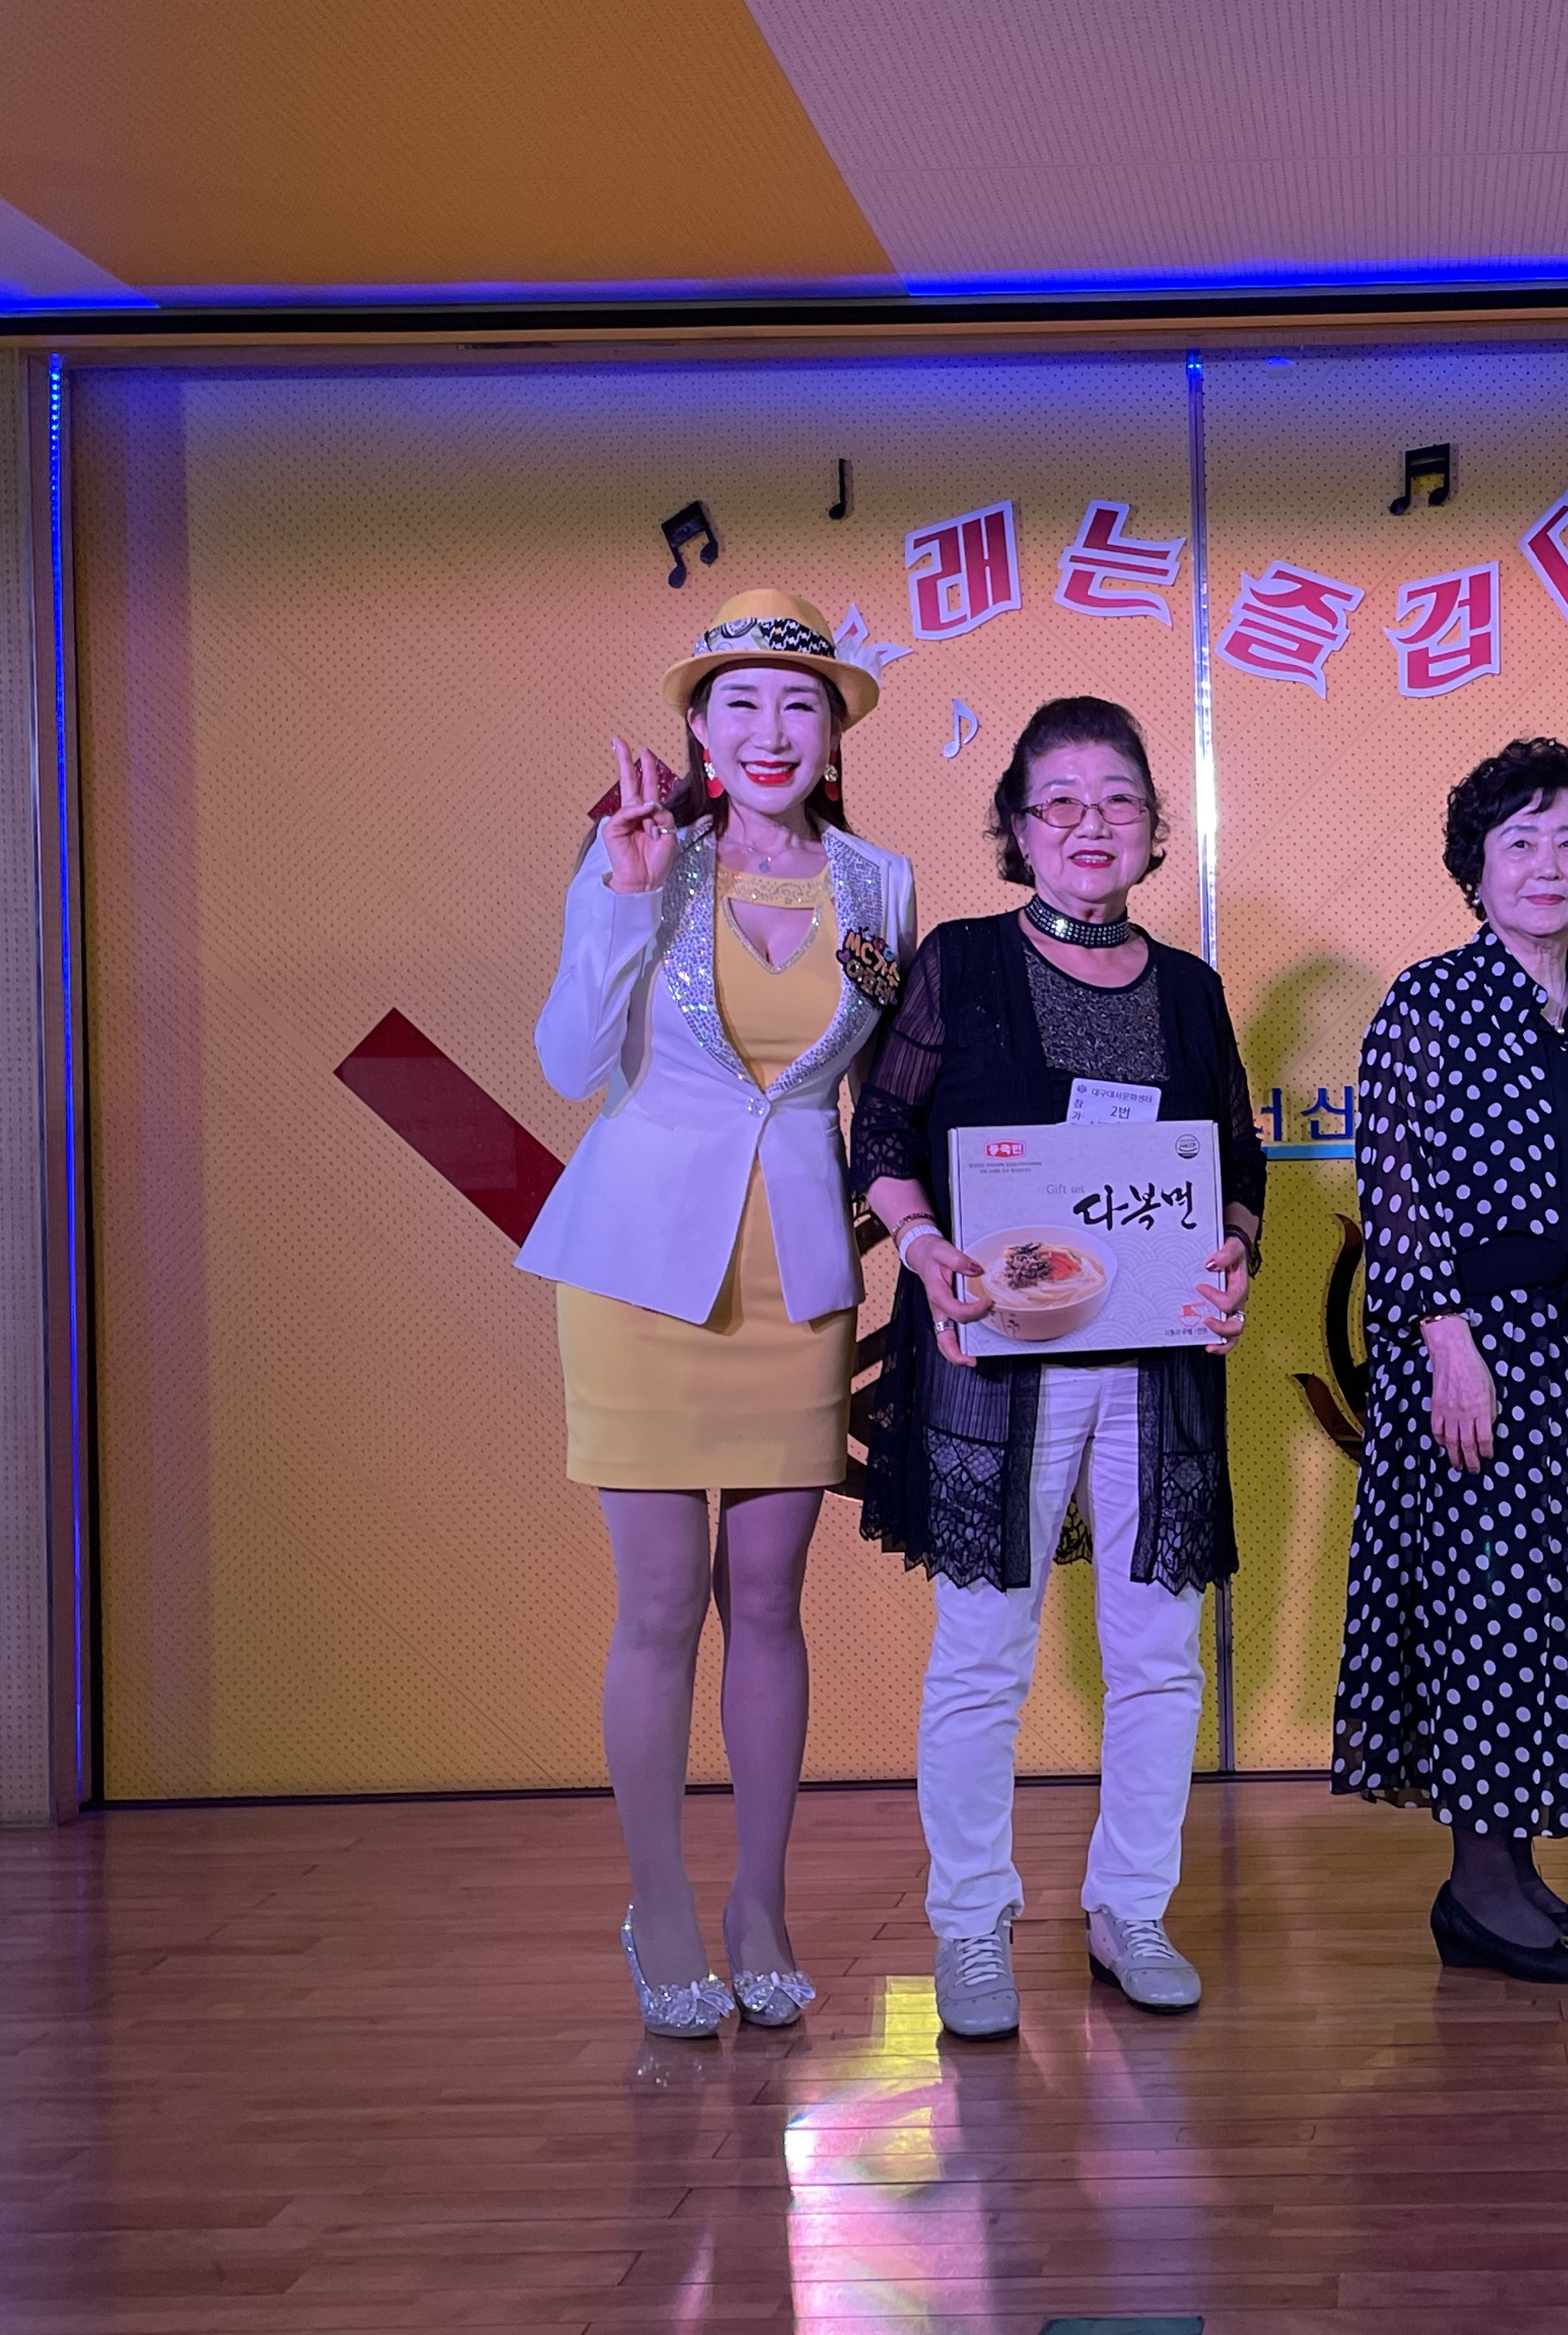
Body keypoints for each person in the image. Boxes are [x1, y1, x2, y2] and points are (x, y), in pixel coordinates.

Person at [519, 589, 917, 2038]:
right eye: (739, 702)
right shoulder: (639, 857)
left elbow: (885, 1096)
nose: (770, 730)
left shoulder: (881, 887)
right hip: (639, 1269)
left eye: (799, 703)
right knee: (659, 1606)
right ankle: (662, 1906)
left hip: (795, 1277)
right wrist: (623, 898)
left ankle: (759, 1902)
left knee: (768, 1603)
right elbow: (570, 1063)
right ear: (698, 727)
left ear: (834, 733)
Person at [851, 696, 1261, 2042]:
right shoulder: (963, 963)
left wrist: (1237, 1251)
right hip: (996, 1355)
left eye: (1120, 801)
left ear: (1154, 828)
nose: (1093, 825)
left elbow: (1236, 1164)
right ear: (1019, 830)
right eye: (1062, 803)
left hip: (1155, 1362)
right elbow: (883, 1134)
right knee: (983, 1655)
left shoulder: (1188, 987)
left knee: (1160, 1655)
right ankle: (971, 1923)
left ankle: (1130, 1908)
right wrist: (925, 1250)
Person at [1334, 740, 1568, 1984]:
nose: (1546, 865)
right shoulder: (1429, 1000)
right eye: (1518, 843)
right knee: (1482, 1608)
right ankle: (1475, 1888)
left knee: (1551, 1610)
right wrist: (1447, 1343)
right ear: (1475, 868)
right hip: (1472, 1352)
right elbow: (1395, 1184)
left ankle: (1512, 1871)